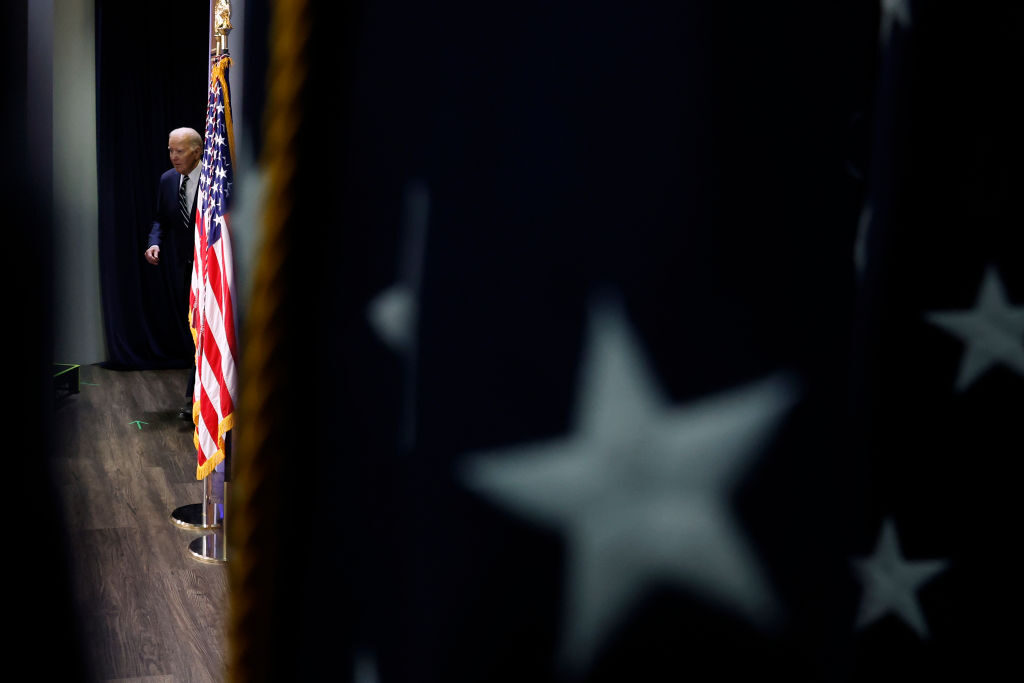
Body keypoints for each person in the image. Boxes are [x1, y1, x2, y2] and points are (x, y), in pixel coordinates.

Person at [145, 127, 202, 420]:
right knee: (193, 336)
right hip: (184, 270)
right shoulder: (167, 180)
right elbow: (161, 219)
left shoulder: (215, 181)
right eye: (170, 150)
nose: (173, 156)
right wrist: (154, 243)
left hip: (212, 274)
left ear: (197, 151)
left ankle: (196, 400)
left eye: (179, 151)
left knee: (205, 335)